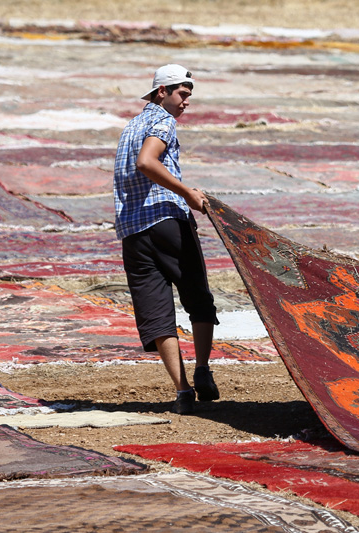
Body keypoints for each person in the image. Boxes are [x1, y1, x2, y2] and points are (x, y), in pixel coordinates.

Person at [113, 64, 220, 415]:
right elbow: (148, 162)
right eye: (182, 95)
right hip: (165, 220)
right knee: (197, 296)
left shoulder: (130, 126)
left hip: (132, 230)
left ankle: (183, 390)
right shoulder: (163, 120)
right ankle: (202, 369)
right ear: (163, 92)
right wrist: (186, 191)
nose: (186, 103)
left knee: (157, 311)